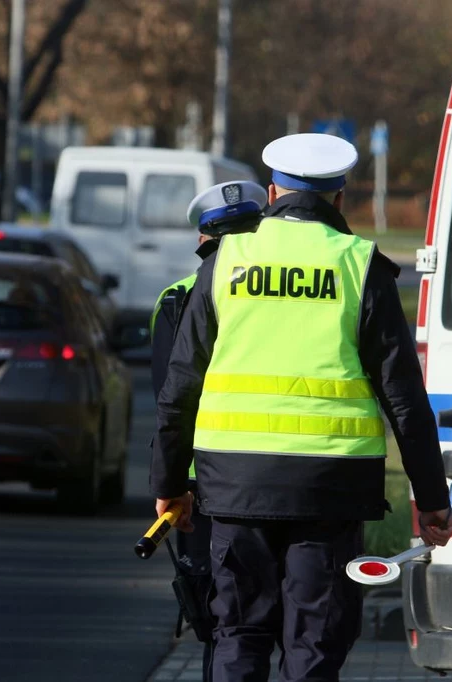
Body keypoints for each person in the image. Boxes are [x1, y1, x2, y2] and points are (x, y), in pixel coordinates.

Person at [151, 133, 452, 682]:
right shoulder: (359, 265)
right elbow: (405, 399)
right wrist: (431, 500)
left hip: (235, 485)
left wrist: (170, 483)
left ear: (272, 192)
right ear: (339, 199)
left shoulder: (226, 261)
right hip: (330, 491)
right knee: (314, 645)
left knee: (238, 636)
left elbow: (180, 388)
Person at [149, 180, 268, 682]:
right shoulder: (276, 291)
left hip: (204, 488)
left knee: (226, 625)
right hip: (288, 472)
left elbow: (169, 402)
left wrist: (168, 486)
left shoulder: (176, 298)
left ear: (203, 240)